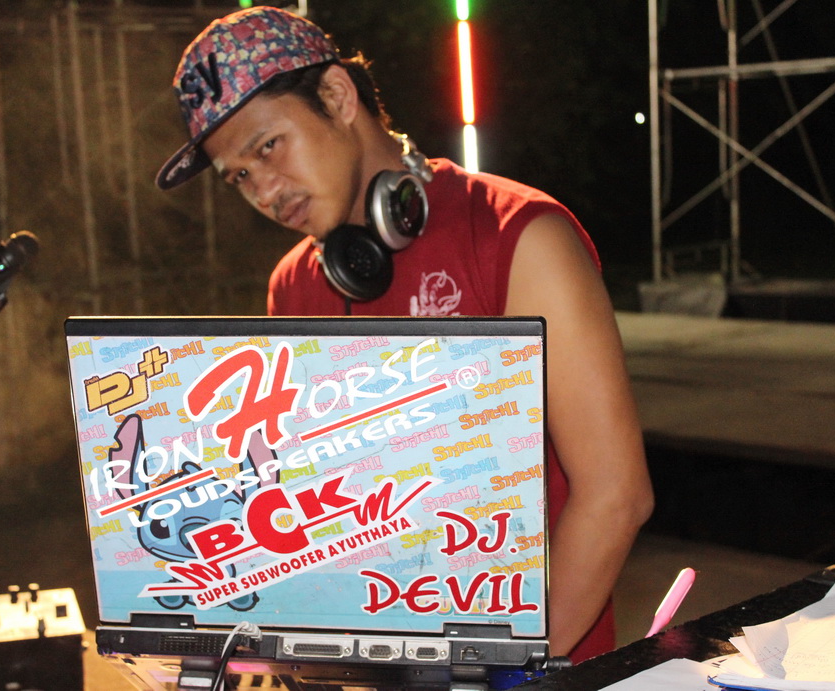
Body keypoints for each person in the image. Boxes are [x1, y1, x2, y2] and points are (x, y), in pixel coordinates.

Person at [156, 7, 654, 663]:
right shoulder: (292, 287)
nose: (264, 190)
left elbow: (615, 495)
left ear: (337, 96)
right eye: (239, 176)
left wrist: (503, 665)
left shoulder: (519, 236)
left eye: (267, 146)